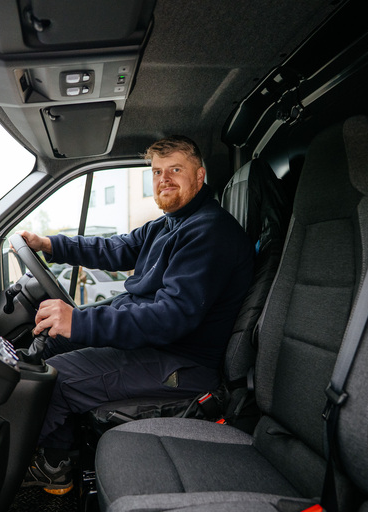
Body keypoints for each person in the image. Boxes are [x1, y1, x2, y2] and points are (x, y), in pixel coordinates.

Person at [20, 135, 254, 493]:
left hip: (181, 362)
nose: (164, 179)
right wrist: (52, 245)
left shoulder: (210, 231)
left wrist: (80, 321)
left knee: (58, 379)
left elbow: (170, 317)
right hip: (158, 347)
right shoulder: (168, 224)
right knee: (51, 346)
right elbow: (117, 247)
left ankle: (54, 466)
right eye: (157, 172)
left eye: (176, 169)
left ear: (200, 175)